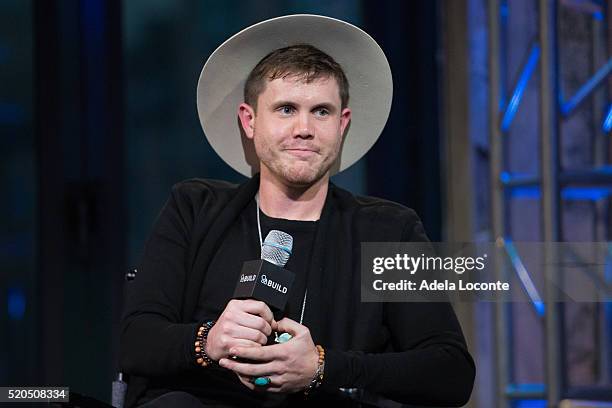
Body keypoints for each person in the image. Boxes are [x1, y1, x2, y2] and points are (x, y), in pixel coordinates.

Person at [120, 14, 475, 408]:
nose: (304, 128)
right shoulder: (194, 209)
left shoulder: (390, 229)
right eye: (286, 109)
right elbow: (136, 340)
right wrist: (208, 340)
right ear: (250, 120)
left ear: (342, 125)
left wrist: (323, 366)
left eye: (321, 111)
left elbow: (450, 371)